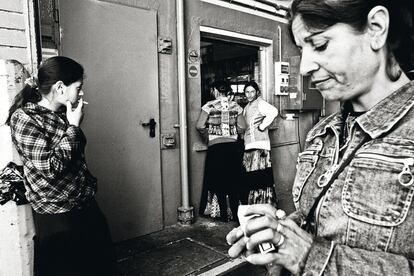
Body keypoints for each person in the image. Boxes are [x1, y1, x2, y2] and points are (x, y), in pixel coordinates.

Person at [226, 0, 414, 275]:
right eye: (302, 50)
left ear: (377, 28)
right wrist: (279, 234)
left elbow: (313, 251)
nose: (305, 67)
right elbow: (319, 222)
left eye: (321, 45)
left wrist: (309, 256)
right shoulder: (321, 134)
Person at [6, 56, 117, 276]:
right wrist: (74, 127)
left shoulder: (63, 113)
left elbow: (73, 159)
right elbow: (50, 168)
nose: (82, 93)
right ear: (60, 87)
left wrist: (72, 123)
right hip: (58, 217)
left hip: (84, 206)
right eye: (78, 87)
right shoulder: (26, 118)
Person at [197, 80, 246, 221]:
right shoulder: (236, 106)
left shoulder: (208, 106)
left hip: (215, 149)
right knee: (233, 180)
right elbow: (243, 126)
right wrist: (232, 133)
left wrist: (209, 137)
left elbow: (200, 125)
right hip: (232, 148)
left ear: (216, 91)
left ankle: (222, 213)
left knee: (217, 180)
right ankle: (235, 212)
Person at [241, 81, 278, 206]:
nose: (250, 94)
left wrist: (262, 126)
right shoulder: (247, 107)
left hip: (260, 146)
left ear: (257, 92)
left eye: (252, 91)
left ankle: (264, 204)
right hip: (250, 145)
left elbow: (274, 111)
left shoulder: (260, 103)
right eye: (247, 92)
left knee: (261, 178)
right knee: (253, 178)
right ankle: (256, 205)